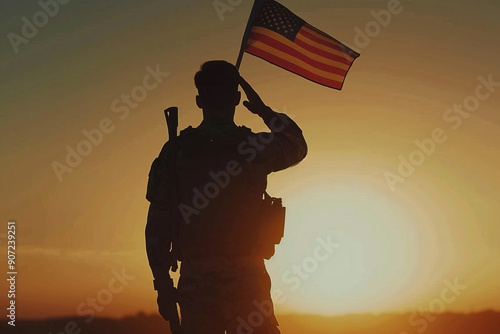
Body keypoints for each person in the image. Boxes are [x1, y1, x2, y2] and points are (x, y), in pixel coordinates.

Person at [145, 60, 307, 333]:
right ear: (236, 98)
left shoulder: (176, 151)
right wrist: (263, 111)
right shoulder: (254, 147)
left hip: (197, 280)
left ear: (199, 100)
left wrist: (162, 285)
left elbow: (157, 226)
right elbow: (296, 144)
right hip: (247, 279)